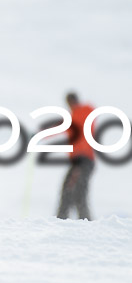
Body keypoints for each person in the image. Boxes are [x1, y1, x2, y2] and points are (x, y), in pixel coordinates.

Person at [57, 92, 95, 220]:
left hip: (84, 160)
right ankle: (63, 218)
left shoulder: (84, 111)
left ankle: (85, 222)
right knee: (68, 189)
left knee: (77, 190)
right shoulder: (71, 117)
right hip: (77, 161)